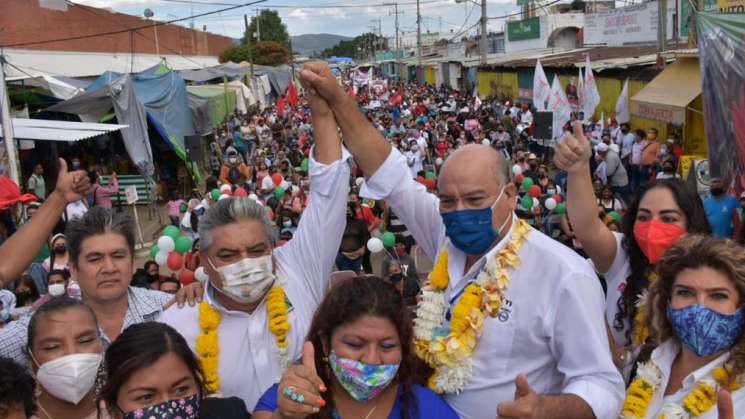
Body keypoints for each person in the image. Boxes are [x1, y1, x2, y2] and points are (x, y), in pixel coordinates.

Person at [301, 62, 623, 419]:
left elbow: (602, 384)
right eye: (448, 200)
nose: (459, 211)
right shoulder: (444, 235)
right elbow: (388, 171)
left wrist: (549, 409)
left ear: (511, 195)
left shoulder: (564, 274)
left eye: (474, 200)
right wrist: (338, 98)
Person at [160, 85, 351, 412]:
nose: (245, 263)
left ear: (274, 248)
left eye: (256, 249)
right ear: (204, 261)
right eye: (228, 255)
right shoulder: (177, 325)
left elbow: (329, 194)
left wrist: (321, 110)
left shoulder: (298, 271)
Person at [554, 123, 711, 375]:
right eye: (644, 216)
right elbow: (587, 226)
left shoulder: (713, 277)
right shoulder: (623, 257)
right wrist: (579, 169)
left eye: (668, 219)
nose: (653, 227)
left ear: (691, 223)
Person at [0, 206, 191, 365]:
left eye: (118, 256)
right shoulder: (43, 326)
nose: (109, 268)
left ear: (133, 262)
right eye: (95, 258)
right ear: (73, 269)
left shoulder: (171, 307)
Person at [253, 276, 459, 419]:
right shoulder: (290, 395)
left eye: (387, 346)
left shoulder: (425, 407)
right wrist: (285, 415)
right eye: (354, 344)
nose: (371, 359)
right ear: (325, 343)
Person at [620, 235, 745, 417]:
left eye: (718, 296)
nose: (699, 307)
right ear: (667, 302)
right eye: (685, 292)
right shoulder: (645, 359)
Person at [100, 322, 250, 419]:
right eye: (146, 397)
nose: (169, 409)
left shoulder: (230, 414)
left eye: (181, 389)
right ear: (113, 410)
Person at [26, 297, 107, 419]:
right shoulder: (16, 414)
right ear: (31, 359)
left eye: (85, 341)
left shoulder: (125, 407)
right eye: (52, 347)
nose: (71, 354)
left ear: (101, 346)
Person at [337, 202, 369, 273]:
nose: (346, 213)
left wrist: (363, 248)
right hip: (343, 256)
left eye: (348, 211)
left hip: (357, 255)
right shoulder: (338, 224)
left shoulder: (360, 223)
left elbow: (365, 236)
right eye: (344, 211)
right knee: (346, 278)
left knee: (356, 277)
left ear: (352, 211)